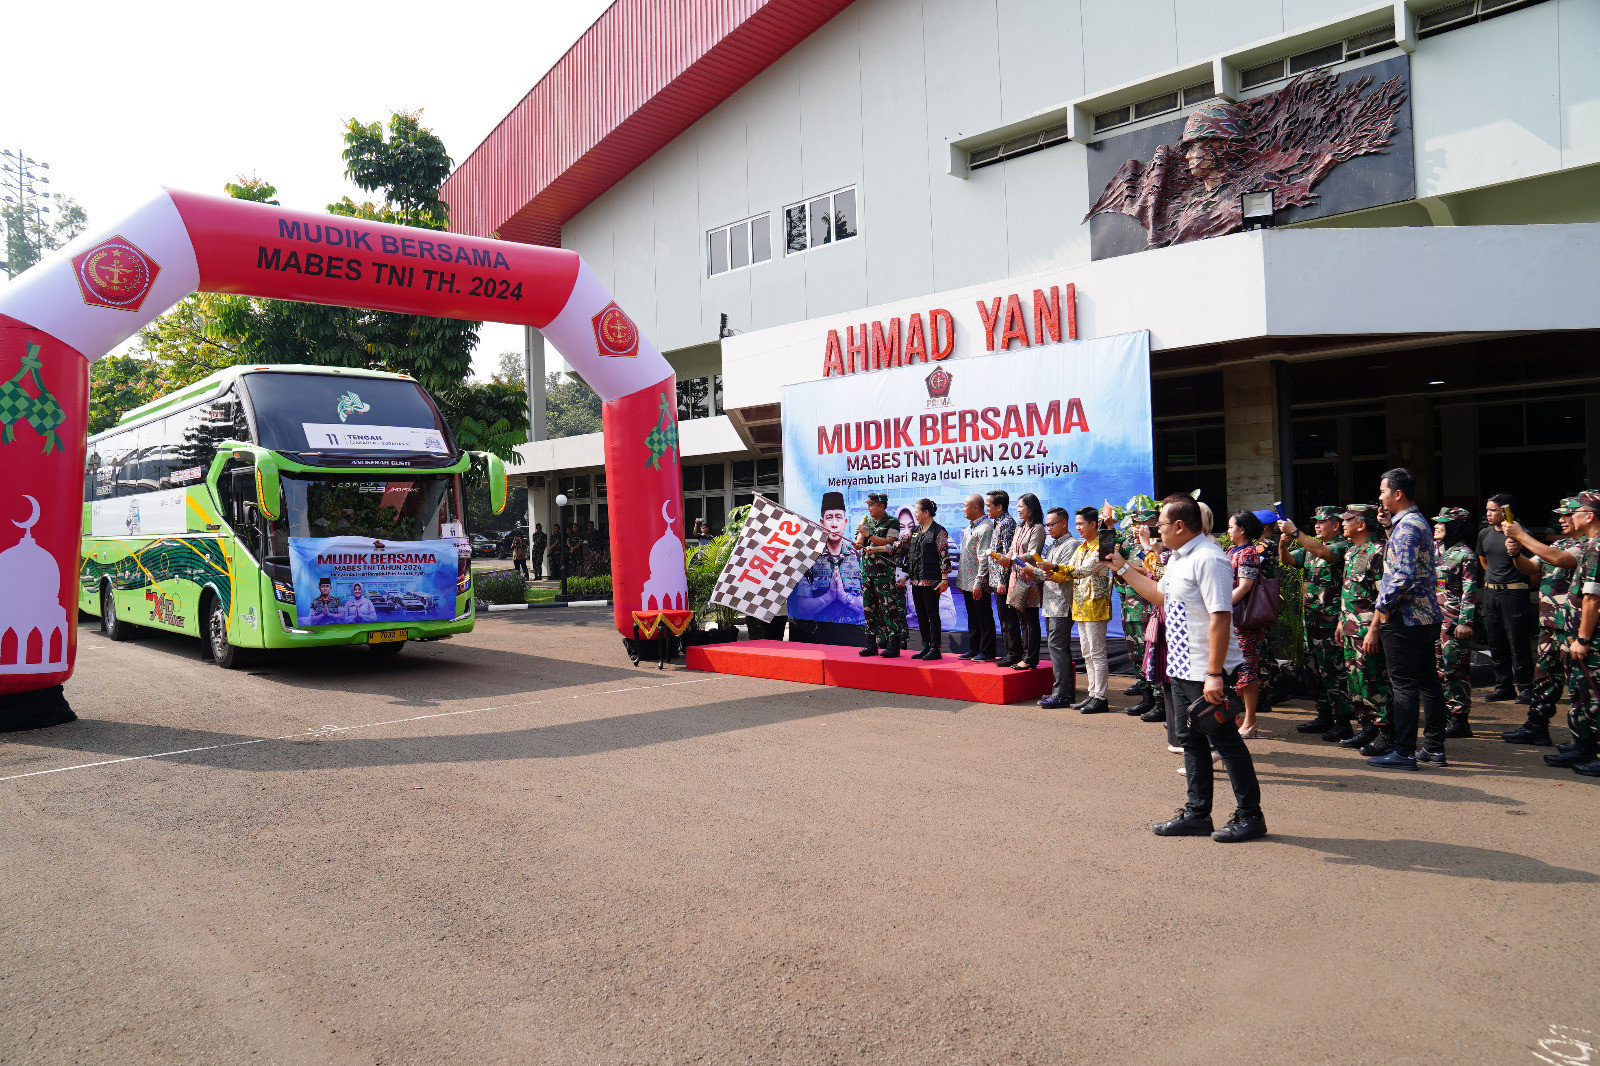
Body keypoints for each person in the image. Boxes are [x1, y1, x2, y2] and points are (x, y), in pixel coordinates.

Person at [1111, 493, 1266, 843]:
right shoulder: (1179, 558)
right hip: (1181, 666)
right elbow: (1158, 595)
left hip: (1204, 669)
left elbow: (1221, 615)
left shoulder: (1210, 559)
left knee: (1225, 742)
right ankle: (1198, 813)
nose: (1156, 531)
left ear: (1180, 526)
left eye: (1161, 525)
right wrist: (1120, 567)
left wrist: (1214, 673)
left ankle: (1250, 816)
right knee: (1190, 741)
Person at [1366, 468, 1448, 769]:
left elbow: (1402, 574)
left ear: (1397, 494)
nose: (1380, 496)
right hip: (1425, 615)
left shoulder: (1407, 527)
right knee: (1427, 682)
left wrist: (1383, 605)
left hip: (1406, 617)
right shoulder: (1413, 522)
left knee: (1404, 684)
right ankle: (1434, 747)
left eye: (1383, 491)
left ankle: (1404, 751)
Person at [1500, 500, 1577, 745]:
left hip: (1573, 627)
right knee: (1544, 679)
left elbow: (1559, 559)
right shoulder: (1562, 543)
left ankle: (1584, 740)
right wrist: (1515, 552)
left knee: (1580, 685)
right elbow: (1531, 566)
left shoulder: (1588, 546)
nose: (1561, 520)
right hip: (1550, 624)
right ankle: (1537, 726)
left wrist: (1521, 535)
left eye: (1567, 515)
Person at [1278, 506, 1350, 739]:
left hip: (1331, 623)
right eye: (1315, 522)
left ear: (1336, 525)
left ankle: (1343, 721)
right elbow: (1288, 561)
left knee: (1333, 674)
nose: (1317, 525)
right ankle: (1324, 716)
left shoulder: (1342, 546)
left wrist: (1297, 532)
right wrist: (1283, 544)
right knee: (1314, 673)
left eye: (1322, 521)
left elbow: (1326, 554)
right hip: (1312, 622)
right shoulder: (1311, 548)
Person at [1337, 504, 1392, 755]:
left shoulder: (1378, 552)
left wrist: (1374, 631)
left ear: (1361, 524)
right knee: (1356, 681)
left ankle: (1386, 733)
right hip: (1350, 627)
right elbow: (1348, 591)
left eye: (1348, 520)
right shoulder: (1351, 552)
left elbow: (1384, 597)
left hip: (1367, 630)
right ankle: (1367, 727)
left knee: (1373, 681)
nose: (1343, 523)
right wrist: (1341, 621)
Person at [1556, 491, 1600, 775]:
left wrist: (1583, 639)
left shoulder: (1597, 548)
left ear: (1590, 515)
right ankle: (1582, 745)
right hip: (1580, 635)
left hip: (1592, 638)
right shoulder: (1590, 545)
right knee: (1581, 693)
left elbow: (1593, 598)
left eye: (1576, 511)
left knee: (1595, 695)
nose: (1569, 517)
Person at [1478, 493, 1534, 703]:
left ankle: (1526, 687)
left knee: (1518, 642)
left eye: (1492, 510)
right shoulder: (1484, 533)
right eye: (1487, 510)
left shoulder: (1521, 534)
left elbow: (1535, 568)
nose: (1488, 514)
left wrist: (1518, 587)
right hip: (1491, 592)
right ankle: (1503, 686)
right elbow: (1484, 562)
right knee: (1496, 642)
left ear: (1505, 511)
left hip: (1514, 593)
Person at [1432, 507, 1482, 740]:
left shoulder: (1466, 555)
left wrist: (1465, 622)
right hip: (1433, 620)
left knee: (1455, 669)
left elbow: (1469, 592)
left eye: (1442, 523)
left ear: (1455, 526)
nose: (1436, 526)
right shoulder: (1435, 550)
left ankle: (1460, 718)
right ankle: (1444, 713)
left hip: (1454, 622)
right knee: (1438, 670)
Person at [1225, 510, 1269, 738]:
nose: (1228, 531)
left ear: (1242, 529)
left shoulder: (1249, 552)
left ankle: (1250, 721)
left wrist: (1221, 607)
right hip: (1231, 620)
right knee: (1233, 671)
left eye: (1231, 527)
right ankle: (1235, 717)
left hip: (1244, 621)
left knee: (1247, 671)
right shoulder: (1232, 550)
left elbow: (1245, 586)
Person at [1064, 506, 1112, 712]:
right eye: (1076, 524)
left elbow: (1082, 571)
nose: (1078, 528)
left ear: (1094, 524)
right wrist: (1047, 571)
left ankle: (1100, 697)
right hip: (1081, 606)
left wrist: (1054, 568)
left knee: (1097, 652)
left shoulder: (1104, 544)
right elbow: (1070, 571)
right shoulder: (1081, 547)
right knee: (1087, 653)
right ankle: (1093, 694)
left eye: (1081, 524)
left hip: (1096, 605)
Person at [1032, 507, 1080, 708]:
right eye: (1046, 525)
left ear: (1064, 523)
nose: (1048, 528)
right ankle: (1065, 692)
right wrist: (1034, 570)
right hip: (1051, 603)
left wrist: (1038, 571)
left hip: (1062, 603)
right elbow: (1049, 571)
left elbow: (1065, 574)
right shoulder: (1054, 545)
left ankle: (1061, 694)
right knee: (1058, 648)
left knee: (1058, 647)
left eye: (1052, 524)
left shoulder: (1071, 544)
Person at [793, 491, 864, 624]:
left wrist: (844, 597)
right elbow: (802, 608)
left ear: (845, 521)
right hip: (822, 632)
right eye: (829, 518)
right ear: (822, 523)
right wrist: (829, 596)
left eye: (838, 517)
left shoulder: (858, 557)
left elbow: (869, 605)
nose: (834, 524)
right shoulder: (811, 559)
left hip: (856, 631)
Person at [993, 493, 1046, 670]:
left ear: (1031, 508)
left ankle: (1031, 658)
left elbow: (1033, 553)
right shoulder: (1019, 527)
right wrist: (1005, 557)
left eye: (1021, 506)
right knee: (1021, 619)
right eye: (1017, 506)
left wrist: (1012, 559)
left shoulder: (1037, 528)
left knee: (1030, 619)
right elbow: (1010, 549)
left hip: (1030, 578)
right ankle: (1024, 656)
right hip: (1016, 577)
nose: (1018, 509)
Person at [1116, 508, 1161, 717]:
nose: (1137, 527)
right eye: (1135, 523)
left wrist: (1126, 565)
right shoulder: (1129, 545)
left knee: (1150, 654)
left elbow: (1151, 570)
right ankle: (1146, 697)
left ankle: (1160, 701)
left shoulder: (1156, 546)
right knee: (1135, 653)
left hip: (1146, 606)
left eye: (1142, 523)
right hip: (1129, 605)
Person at [854, 492, 909, 657]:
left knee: (888, 608)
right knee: (868, 608)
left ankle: (893, 644)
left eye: (871, 504)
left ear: (881, 506)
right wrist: (860, 539)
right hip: (867, 572)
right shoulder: (868, 522)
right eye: (868, 505)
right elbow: (859, 544)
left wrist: (868, 534)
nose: (868, 508)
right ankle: (871, 643)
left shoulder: (892, 522)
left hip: (883, 574)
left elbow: (889, 544)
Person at [905, 498, 951, 659]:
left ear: (926, 512)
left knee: (932, 614)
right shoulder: (915, 531)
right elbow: (900, 546)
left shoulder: (939, 531)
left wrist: (944, 579)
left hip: (931, 581)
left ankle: (935, 648)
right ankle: (925, 646)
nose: (915, 515)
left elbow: (944, 556)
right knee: (921, 614)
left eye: (917, 511)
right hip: (915, 580)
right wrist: (877, 548)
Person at [956, 494, 996, 662]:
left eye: (965, 505)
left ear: (975, 508)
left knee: (983, 616)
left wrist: (979, 583)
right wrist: (960, 580)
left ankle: (987, 651)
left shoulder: (986, 528)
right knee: (972, 615)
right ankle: (974, 648)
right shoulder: (970, 527)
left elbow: (984, 559)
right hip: (967, 581)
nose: (962, 509)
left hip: (978, 583)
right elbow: (965, 556)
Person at [985, 491, 1020, 666]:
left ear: (999, 506)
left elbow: (1008, 555)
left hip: (1003, 579)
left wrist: (1002, 580)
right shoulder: (998, 522)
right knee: (1003, 617)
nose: (986, 509)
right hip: (996, 578)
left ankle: (1014, 653)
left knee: (1008, 617)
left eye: (989, 505)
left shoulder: (1007, 523)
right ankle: (1009, 652)